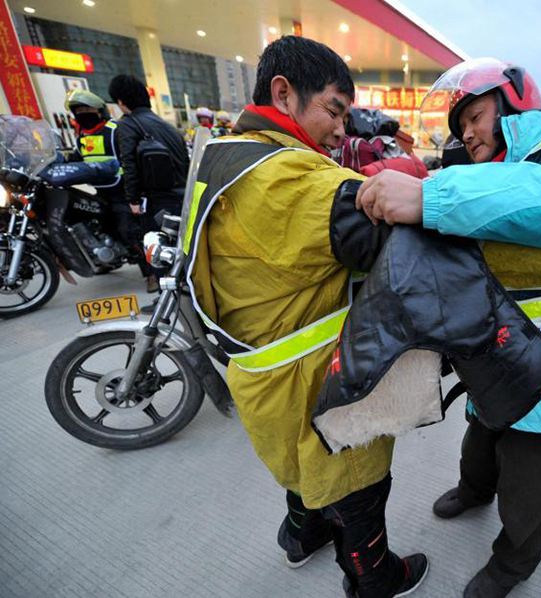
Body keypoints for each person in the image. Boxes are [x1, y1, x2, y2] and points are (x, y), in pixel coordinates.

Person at [355, 57, 541, 598]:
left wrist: (433, 197)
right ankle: (474, 489)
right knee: (481, 434)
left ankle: (512, 563)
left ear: (515, 103)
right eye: (461, 127)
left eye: (475, 116)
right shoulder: (478, 178)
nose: (470, 133)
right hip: (491, 346)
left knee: (535, 474)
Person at [180, 37, 429, 598]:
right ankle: (374, 577)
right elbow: (420, 229)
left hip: (256, 365)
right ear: (284, 93)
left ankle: (301, 536)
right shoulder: (293, 180)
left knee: (296, 464)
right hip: (317, 375)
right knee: (354, 478)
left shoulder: (222, 153)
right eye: (334, 110)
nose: (343, 129)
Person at [108, 74, 189, 291]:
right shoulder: (167, 126)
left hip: (155, 200)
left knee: (159, 252)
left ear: (121, 101)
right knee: (178, 250)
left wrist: (133, 199)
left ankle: (167, 303)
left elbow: (129, 165)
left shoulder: (128, 125)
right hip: (181, 197)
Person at [63, 89, 151, 282]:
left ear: (100, 111)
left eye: (87, 109)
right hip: (100, 192)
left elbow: (131, 161)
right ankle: (107, 258)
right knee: (98, 225)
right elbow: (76, 162)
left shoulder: (115, 131)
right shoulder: (82, 139)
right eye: (78, 111)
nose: (83, 114)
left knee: (128, 231)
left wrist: (134, 193)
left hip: (123, 192)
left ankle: (150, 272)